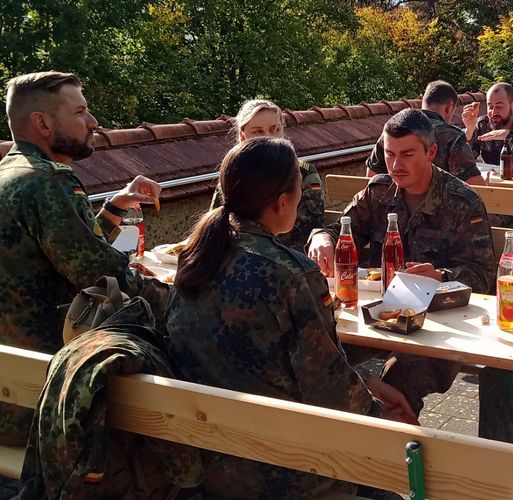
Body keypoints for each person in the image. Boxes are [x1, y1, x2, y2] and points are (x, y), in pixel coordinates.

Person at [166, 137, 415, 498]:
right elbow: (328, 390)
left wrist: (361, 384)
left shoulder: (195, 257)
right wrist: (383, 424)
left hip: (201, 457)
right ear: (283, 201)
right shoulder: (291, 274)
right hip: (279, 467)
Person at [0, 71, 166, 446]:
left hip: (11, 382)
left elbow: (59, 252)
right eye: (80, 111)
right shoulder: (47, 182)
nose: (93, 122)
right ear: (42, 122)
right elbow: (104, 277)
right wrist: (186, 292)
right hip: (45, 401)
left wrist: (114, 208)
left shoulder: (11, 174)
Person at [308, 108, 496, 417]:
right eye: (389, 154)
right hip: (377, 317)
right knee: (317, 354)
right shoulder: (378, 193)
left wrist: (442, 276)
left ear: (431, 152)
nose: (396, 165)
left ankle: (398, 457)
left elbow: (484, 275)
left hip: (439, 326)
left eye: (407, 154)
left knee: (396, 382)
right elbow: (341, 231)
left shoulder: (462, 202)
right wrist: (321, 238)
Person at [210, 99, 325, 251]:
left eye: (274, 129)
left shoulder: (302, 173)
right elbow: (216, 224)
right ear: (243, 136)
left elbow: (309, 234)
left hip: (287, 262)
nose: (268, 137)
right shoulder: (232, 173)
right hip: (237, 257)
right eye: (258, 131)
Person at [367, 80, 485, 186]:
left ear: (423, 102)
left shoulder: (392, 131)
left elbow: (371, 177)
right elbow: (476, 188)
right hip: (442, 208)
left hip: (393, 207)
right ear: (449, 108)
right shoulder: (452, 137)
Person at [462, 82, 513, 173]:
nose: (493, 112)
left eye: (499, 106)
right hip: (493, 183)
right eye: (490, 106)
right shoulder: (483, 125)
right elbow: (462, 162)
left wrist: (509, 136)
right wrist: (469, 131)